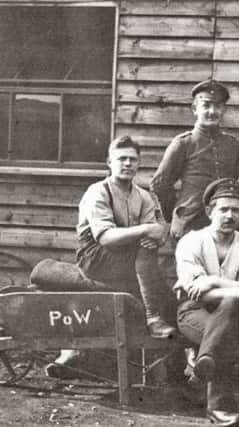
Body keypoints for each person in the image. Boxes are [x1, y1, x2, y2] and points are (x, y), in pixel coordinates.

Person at [47, 136, 176, 376]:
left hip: (130, 258)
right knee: (146, 254)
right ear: (109, 162)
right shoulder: (98, 191)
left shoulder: (144, 196)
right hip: (95, 256)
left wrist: (154, 233)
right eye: (122, 159)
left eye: (133, 160)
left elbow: (159, 232)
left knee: (164, 289)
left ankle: (171, 366)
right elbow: (105, 237)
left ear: (139, 164)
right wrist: (146, 231)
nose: (127, 164)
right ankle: (151, 317)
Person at [174, 178, 239, 427]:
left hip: (231, 316)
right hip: (193, 314)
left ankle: (203, 361)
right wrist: (235, 291)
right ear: (210, 211)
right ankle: (218, 407)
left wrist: (211, 281)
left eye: (236, 210)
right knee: (231, 324)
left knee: (230, 313)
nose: (229, 215)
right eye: (223, 209)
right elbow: (196, 293)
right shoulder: (191, 241)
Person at [150, 79, 239, 240]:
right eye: (206, 105)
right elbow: (160, 184)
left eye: (218, 106)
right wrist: (177, 212)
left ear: (223, 110)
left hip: (224, 223)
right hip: (191, 222)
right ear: (195, 109)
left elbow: (237, 181)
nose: (212, 111)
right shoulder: (184, 143)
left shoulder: (232, 145)